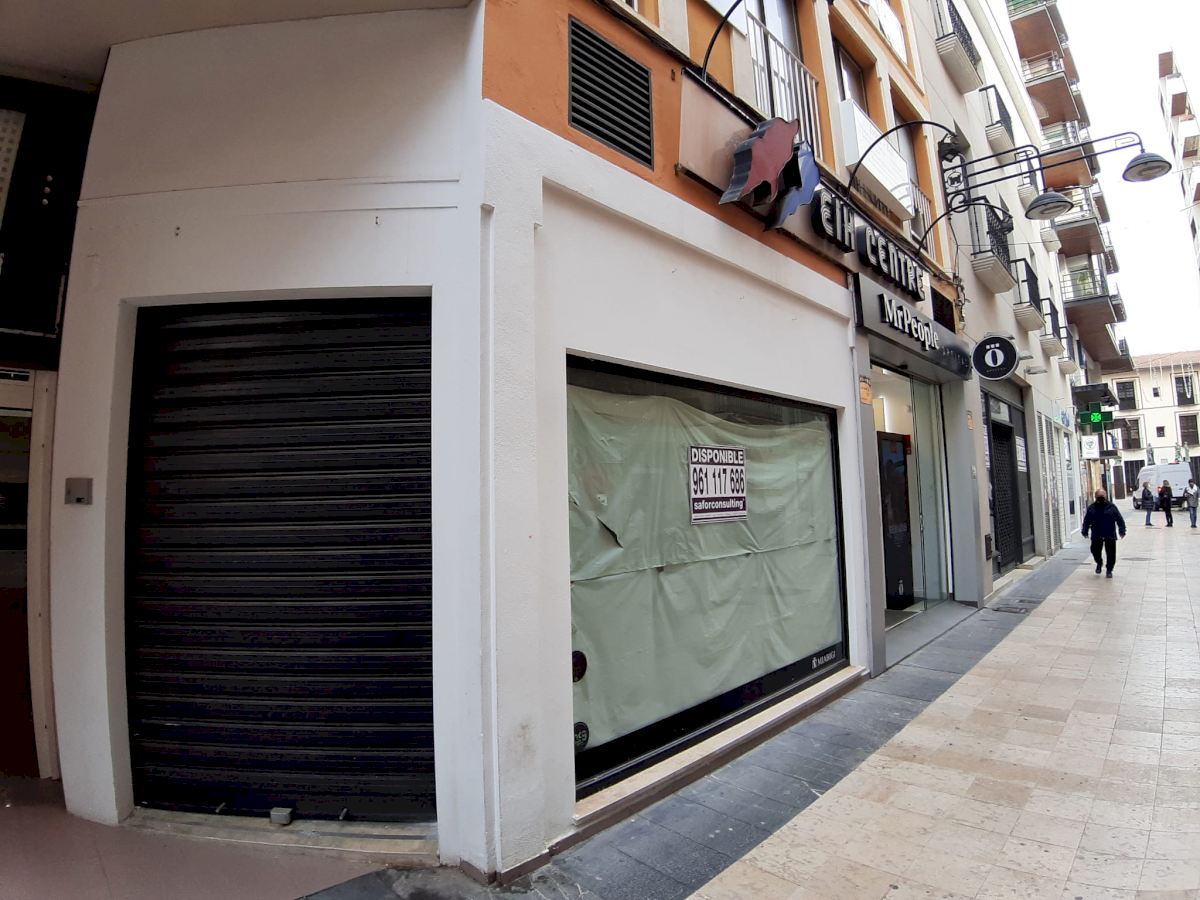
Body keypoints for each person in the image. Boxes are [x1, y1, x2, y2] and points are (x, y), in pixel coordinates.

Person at [1082, 488, 1126, 578]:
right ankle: (1099, 562)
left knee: (1111, 553)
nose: (1101, 498)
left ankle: (1109, 569)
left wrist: (1122, 530)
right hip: (1097, 534)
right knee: (1095, 551)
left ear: (1105, 496)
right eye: (1099, 496)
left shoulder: (1111, 507)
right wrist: (1085, 530)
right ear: (1095, 497)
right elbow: (1086, 521)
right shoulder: (1092, 508)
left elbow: (1119, 519)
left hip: (1109, 534)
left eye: (1102, 496)